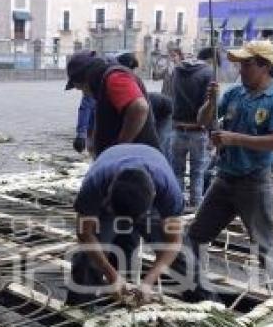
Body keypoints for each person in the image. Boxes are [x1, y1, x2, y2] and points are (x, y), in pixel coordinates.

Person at [184, 40, 273, 297]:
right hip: (225, 178)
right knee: (196, 235)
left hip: (254, 181)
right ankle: (194, 286)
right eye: (240, 64)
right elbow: (203, 120)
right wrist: (211, 102)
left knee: (265, 241)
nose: (240, 70)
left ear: (266, 66)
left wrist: (233, 139)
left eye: (247, 64)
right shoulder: (236, 93)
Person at [68, 143, 184, 306]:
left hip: (150, 175)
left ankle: (204, 301)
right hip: (111, 176)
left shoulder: (169, 191)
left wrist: (148, 282)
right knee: (87, 259)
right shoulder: (95, 183)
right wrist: (111, 275)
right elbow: (84, 234)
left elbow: (174, 241)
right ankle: (80, 308)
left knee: (182, 258)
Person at [65, 51, 159, 157]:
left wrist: (119, 148)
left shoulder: (114, 77)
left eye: (80, 87)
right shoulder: (103, 83)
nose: (82, 92)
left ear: (84, 79)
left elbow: (139, 108)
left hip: (134, 159)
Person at [171, 47, 216, 209]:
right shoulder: (208, 72)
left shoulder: (177, 70)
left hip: (177, 128)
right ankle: (196, 205)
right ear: (211, 59)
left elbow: (171, 96)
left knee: (177, 170)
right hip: (197, 129)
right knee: (198, 171)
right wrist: (212, 132)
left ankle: (177, 203)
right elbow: (209, 106)